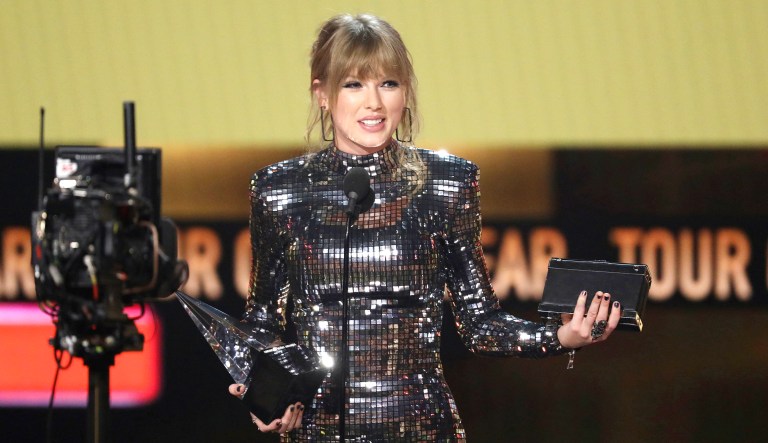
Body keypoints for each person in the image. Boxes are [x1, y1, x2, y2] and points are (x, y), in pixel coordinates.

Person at [227, 13, 621, 441]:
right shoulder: (279, 191)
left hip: (421, 427)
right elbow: (262, 323)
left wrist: (561, 336)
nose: (374, 103)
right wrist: (265, 395)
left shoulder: (447, 184)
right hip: (317, 428)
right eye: (353, 84)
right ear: (322, 93)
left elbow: (479, 322)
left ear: (406, 91)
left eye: (388, 83)